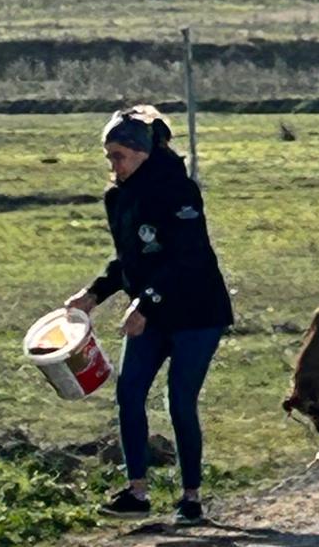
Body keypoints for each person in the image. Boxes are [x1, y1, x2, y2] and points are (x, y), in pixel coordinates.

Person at [68, 106, 233, 525]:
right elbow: (129, 258)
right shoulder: (117, 196)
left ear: (142, 153)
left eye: (119, 156)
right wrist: (94, 293)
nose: (112, 165)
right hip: (151, 312)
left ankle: (191, 497)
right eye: (109, 157)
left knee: (178, 400)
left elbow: (187, 257)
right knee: (129, 393)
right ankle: (137, 492)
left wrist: (146, 302)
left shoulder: (178, 190)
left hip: (197, 311)